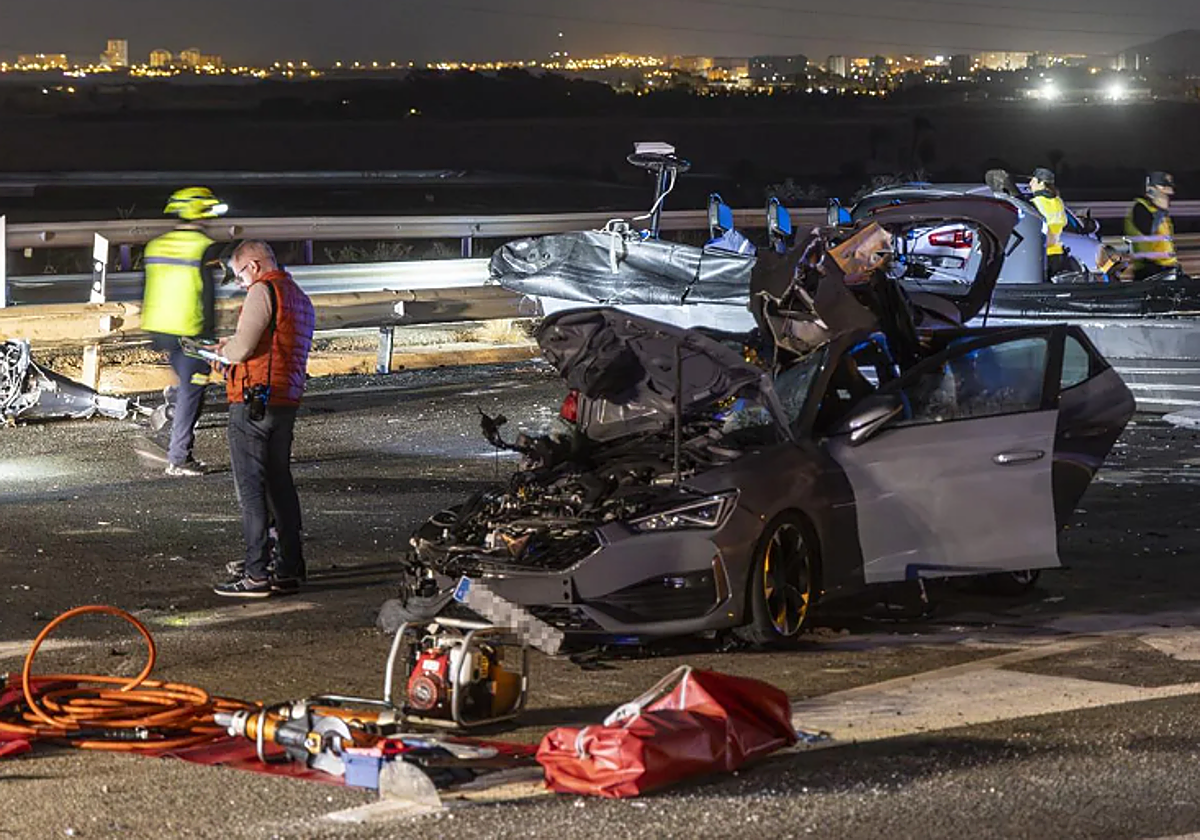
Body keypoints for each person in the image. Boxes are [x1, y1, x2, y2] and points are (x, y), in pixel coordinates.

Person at [213, 241, 315, 598]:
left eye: (240, 275)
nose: (241, 283)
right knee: (280, 485)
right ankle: (289, 567)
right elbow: (274, 345)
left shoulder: (263, 290)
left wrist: (220, 353)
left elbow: (241, 349)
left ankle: (256, 573)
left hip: (254, 400)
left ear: (254, 266)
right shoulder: (298, 296)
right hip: (285, 399)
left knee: (252, 490)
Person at [141, 187, 228, 476]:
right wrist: (210, 338)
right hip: (192, 331)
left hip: (162, 329)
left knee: (188, 387)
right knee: (193, 393)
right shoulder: (204, 247)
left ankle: (172, 409)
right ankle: (179, 458)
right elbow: (207, 296)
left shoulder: (156, 245)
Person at [1125, 171, 1178, 282]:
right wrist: (1161, 211)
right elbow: (1148, 230)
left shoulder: (1157, 212)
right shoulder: (1140, 208)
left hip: (1165, 269)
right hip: (1149, 271)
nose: (1168, 197)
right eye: (1165, 191)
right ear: (1152, 190)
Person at [1028, 167, 1070, 278]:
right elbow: (1064, 222)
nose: (1030, 184)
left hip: (1042, 255)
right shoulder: (1058, 201)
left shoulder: (1035, 203)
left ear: (1041, 183)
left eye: (1033, 181)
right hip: (1057, 253)